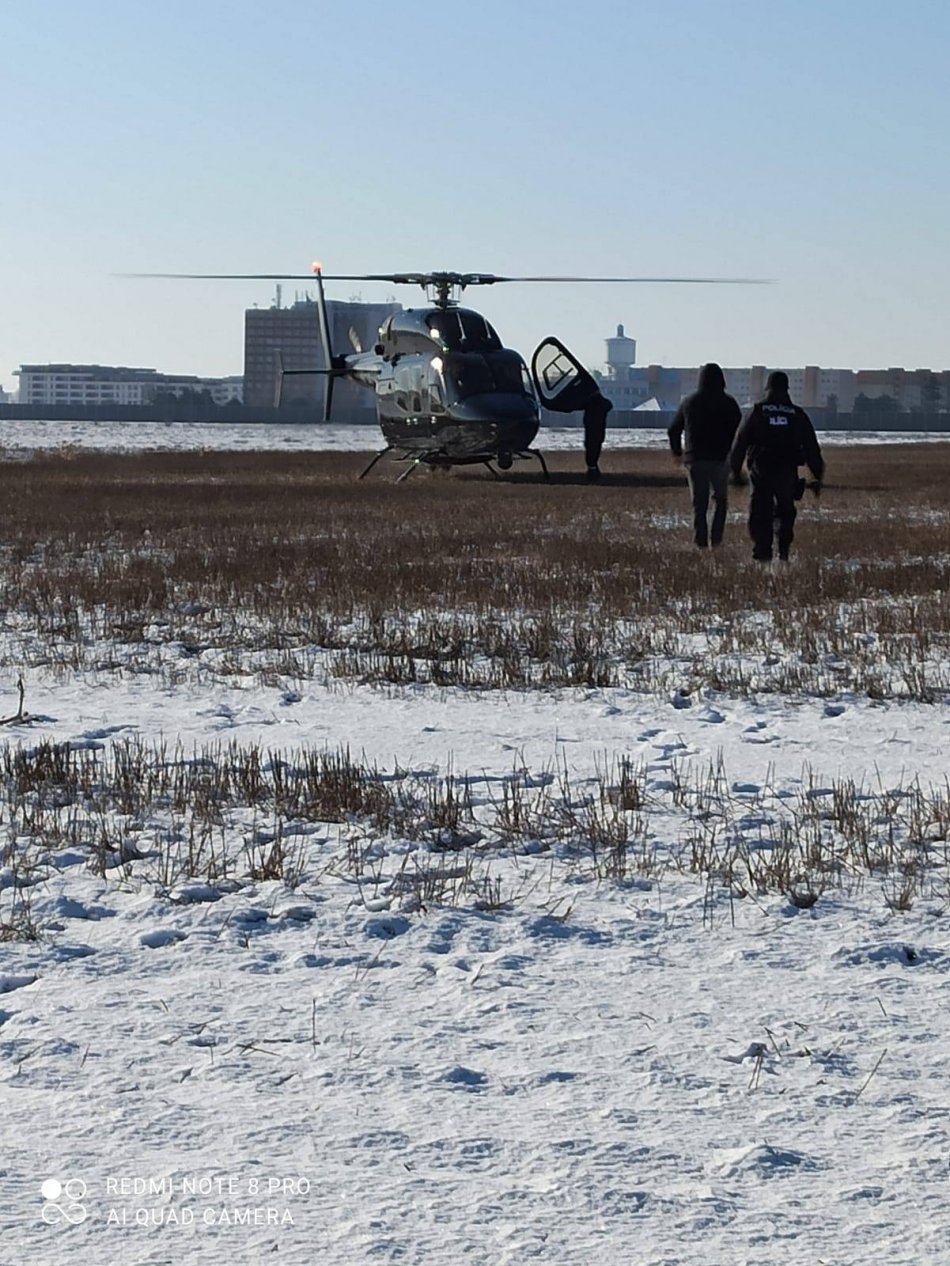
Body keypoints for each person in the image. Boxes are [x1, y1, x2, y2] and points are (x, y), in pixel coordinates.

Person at [730, 370, 825, 562]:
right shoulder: (797, 414)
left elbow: (740, 442)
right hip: (787, 471)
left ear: (768, 388)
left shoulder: (757, 411)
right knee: (785, 510)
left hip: (761, 469)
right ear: (787, 389)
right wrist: (817, 474)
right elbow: (811, 447)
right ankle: (783, 549)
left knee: (760, 511)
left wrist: (736, 471)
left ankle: (762, 552)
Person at [667, 363, 742, 549]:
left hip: (695, 459)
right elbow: (740, 431)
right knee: (721, 501)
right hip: (721, 459)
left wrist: (677, 452)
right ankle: (716, 541)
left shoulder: (689, 402)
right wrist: (735, 454)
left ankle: (700, 541)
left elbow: (673, 429)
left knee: (699, 504)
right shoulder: (729, 403)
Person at [582, 389, 613, 481]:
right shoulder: (602, 404)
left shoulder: (589, 403)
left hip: (591, 430)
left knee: (591, 448)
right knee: (595, 448)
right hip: (599, 430)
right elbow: (609, 405)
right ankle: (593, 469)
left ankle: (592, 469)